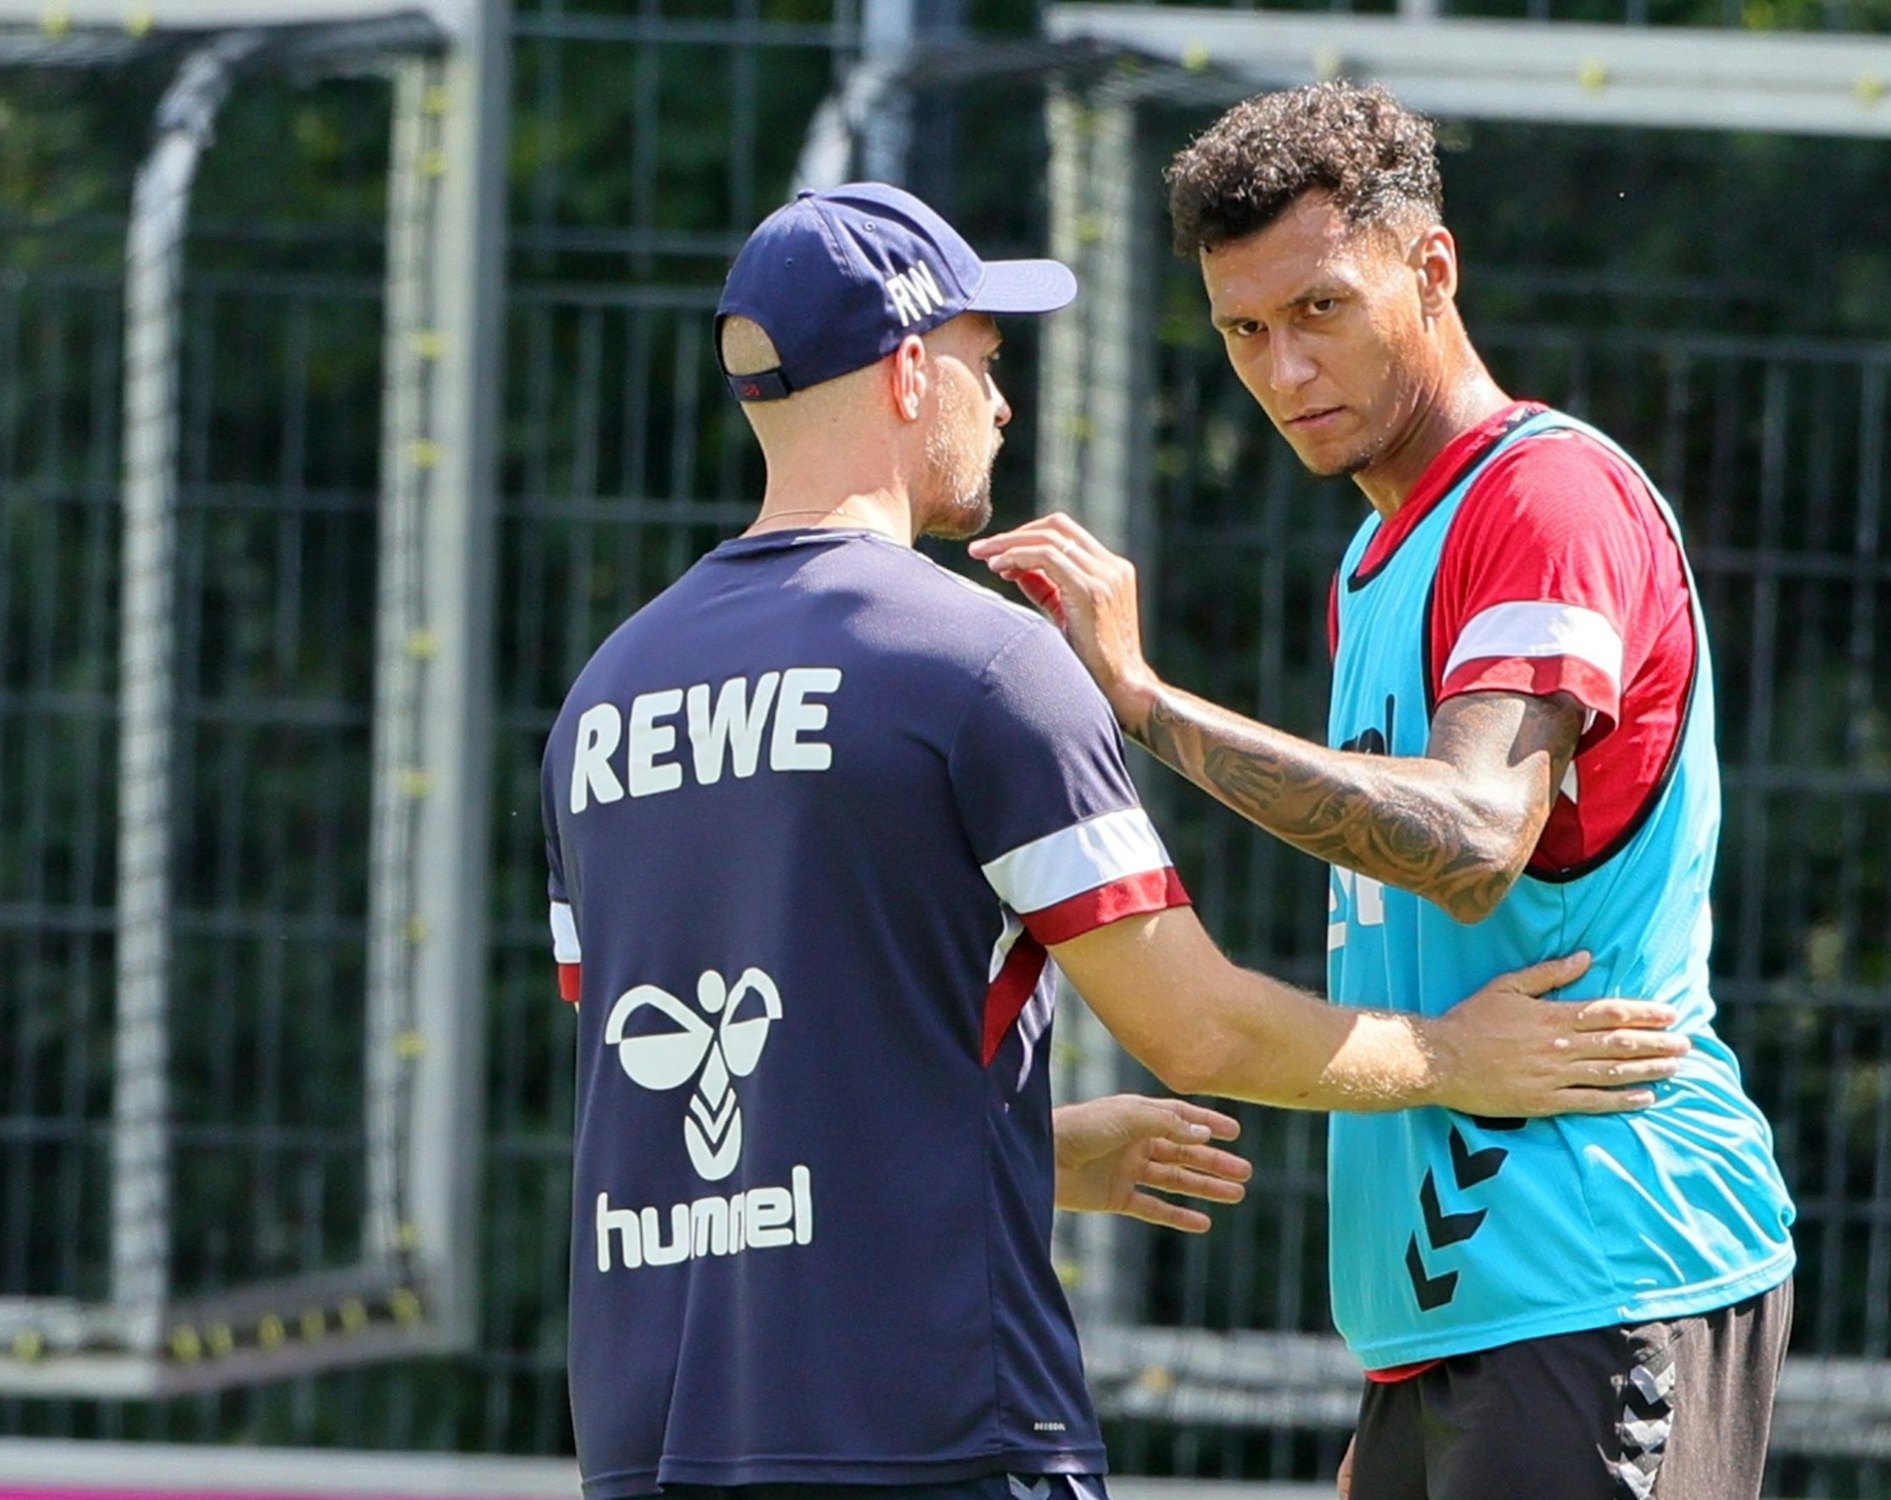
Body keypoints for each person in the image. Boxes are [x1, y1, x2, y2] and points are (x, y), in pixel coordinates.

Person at [541, 181, 1689, 1500]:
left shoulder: (604, 701)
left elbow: (705, 1095)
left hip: (658, 1439)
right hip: (931, 1434)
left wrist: (1025, 1149)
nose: (1005, 403)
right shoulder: (973, 664)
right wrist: (1454, 1054)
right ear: (912, 372)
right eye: (987, 357)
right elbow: (1200, 1032)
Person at [972, 83, 1797, 1500]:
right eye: (1245, 331)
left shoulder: (1544, 500)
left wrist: (1146, 705)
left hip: (1603, 1267)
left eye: (1321, 312)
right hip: (1462, 1319)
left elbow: (1478, 840)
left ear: (1434, 269)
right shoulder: (1381, 563)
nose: (1284, 369)